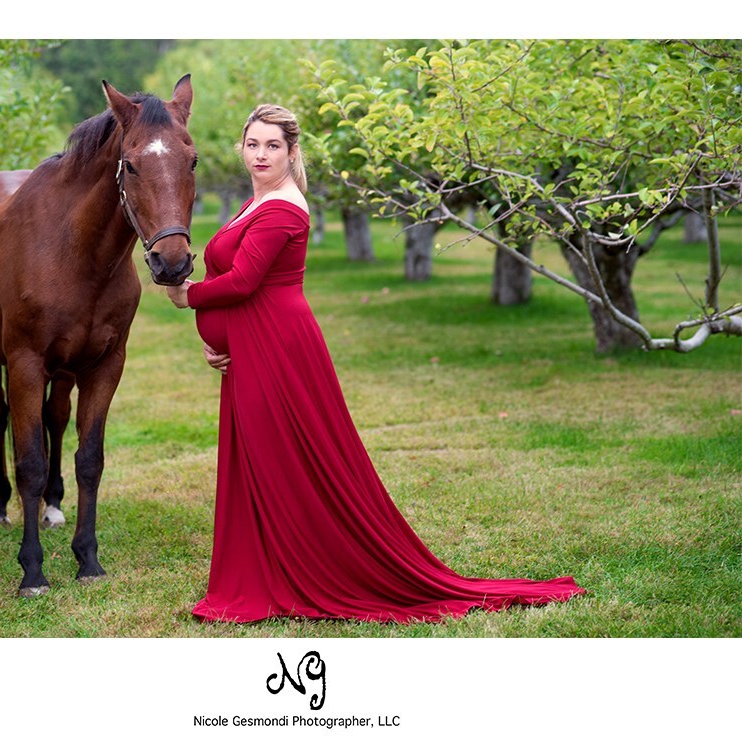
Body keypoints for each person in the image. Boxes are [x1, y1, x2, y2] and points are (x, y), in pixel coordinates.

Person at [165, 104, 585, 623]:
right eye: (252, 144)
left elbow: (247, 281)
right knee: (260, 455)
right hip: (254, 343)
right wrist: (221, 339)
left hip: (277, 345)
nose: (260, 154)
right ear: (240, 148)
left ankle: (307, 568)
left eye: (273, 146)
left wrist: (193, 298)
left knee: (285, 456)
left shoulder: (282, 208)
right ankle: (267, 568)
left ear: (292, 152)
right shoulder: (257, 201)